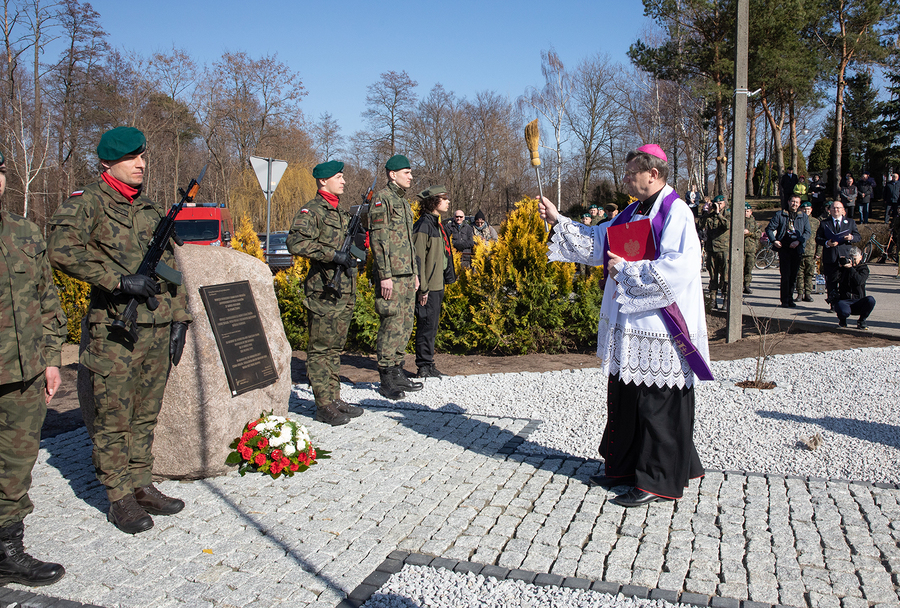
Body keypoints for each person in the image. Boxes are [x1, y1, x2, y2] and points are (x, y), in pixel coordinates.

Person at [539, 144, 709, 507]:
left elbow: (681, 266)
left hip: (661, 325)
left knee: (657, 402)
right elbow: (600, 242)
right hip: (629, 321)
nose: (626, 177)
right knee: (628, 397)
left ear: (654, 173)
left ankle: (658, 480)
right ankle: (627, 468)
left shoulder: (676, 213)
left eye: (632, 171)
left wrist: (628, 272)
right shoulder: (632, 210)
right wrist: (559, 220)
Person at [48, 127, 191, 535]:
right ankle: (119, 498)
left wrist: (180, 317)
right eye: (132, 158)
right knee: (114, 417)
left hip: (157, 326)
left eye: (142, 157)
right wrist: (117, 280)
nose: (141, 164)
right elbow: (61, 250)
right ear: (108, 162)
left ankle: (142, 484)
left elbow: (170, 270)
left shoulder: (149, 208)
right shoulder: (88, 202)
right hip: (116, 330)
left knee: (147, 413)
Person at [0, 149, 67, 586]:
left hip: (23, 373)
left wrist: (51, 358)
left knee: (15, 466)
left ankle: (7, 550)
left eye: (0, 171)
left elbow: (46, 296)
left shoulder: (22, 230)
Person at [285, 160, 365, 426]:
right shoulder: (313, 211)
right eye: (339, 177)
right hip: (323, 290)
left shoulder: (339, 213)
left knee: (334, 348)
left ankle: (334, 398)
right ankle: (322, 405)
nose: (343, 181)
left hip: (343, 290)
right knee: (320, 349)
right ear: (323, 181)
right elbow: (295, 242)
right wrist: (333, 255)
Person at [369, 154, 423, 399]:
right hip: (391, 275)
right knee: (391, 323)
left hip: (406, 274)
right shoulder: (383, 199)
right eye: (407, 172)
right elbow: (379, 241)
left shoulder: (402, 201)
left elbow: (408, 243)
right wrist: (384, 275)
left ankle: (397, 370)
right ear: (393, 174)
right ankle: (386, 377)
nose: (411, 176)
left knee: (405, 323)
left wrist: (414, 273)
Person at [413, 185, 455, 378]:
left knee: (431, 326)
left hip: (437, 284)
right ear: (434, 202)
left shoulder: (437, 224)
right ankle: (423, 366)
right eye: (444, 198)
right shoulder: (424, 225)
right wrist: (423, 288)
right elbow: (418, 259)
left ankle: (428, 364)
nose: (448, 202)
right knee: (425, 325)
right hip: (428, 287)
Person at [765, 194, 811, 308]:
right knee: (785, 275)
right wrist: (774, 240)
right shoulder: (780, 215)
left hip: (797, 248)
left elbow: (807, 232)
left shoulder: (803, 217)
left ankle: (790, 298)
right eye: (793, 201)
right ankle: (784, 299)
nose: (794, 204)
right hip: (784, 248)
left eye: (797, 202)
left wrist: (799, 241)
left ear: (799, 204)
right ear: (789, 202)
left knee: (793, 276)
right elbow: (769, 229)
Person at [815, 200, 860, 307]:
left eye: (838, 208)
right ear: (830, 210)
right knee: (831, 283)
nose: (836, 210)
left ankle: (844, 304)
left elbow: (858, 237)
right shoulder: (824, 223)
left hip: (845, 256)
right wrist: (827, 243)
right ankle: (833, 305)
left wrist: (851, 237)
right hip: (831, 257)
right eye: (834, 208)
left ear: (843, 210)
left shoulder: (850, 222)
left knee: (845, 282)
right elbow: (818, 238)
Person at [834, 247, 875, 330]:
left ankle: (862, 320)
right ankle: (842, 320)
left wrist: (851, 269)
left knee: (871, 300)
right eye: (851, 258)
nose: (853, 260)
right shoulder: (843, 268)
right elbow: (833, 279)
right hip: (845, 300)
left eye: (855, 258)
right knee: (839, 304)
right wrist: (839, 267)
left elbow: (859, 281)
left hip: (858, 301)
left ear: (861, 257)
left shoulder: (864, 268)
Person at [699, 195, 729, 305]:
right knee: (713, 275)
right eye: (716, 204)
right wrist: (706, 212)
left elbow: (727, 225)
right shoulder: (709, 216)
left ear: (724, 203)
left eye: (720, 204)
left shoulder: (728, 214)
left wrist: (718, 213)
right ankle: (713, 298)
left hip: (724, 250)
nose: (718, 206)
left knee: (725, 276)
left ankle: (726, 298)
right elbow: (700, 225)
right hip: (711, 249)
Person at [796, 201, 821, 302]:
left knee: (809, 274)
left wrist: (818, 252)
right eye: (804, 209)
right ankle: (799, 293)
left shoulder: (816, 222)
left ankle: (808, 293)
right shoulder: (798, 220)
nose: (806, 211)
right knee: (799, 274)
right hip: (799, 251)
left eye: (808, 209)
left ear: (811, 210)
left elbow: (819, 239)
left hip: (811, 252)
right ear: (801, 210)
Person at [742, 203, 760, 294]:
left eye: (747, 211)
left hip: (751, 249)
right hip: (741, 249)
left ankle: (747, 285)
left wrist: (749, 233)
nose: (746, 213)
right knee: (740, 268)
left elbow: (758, 234)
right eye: (744, 211)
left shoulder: (754, 222)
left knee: (749, 268)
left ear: (751, 212)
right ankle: (740, 285)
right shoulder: (739, 221)